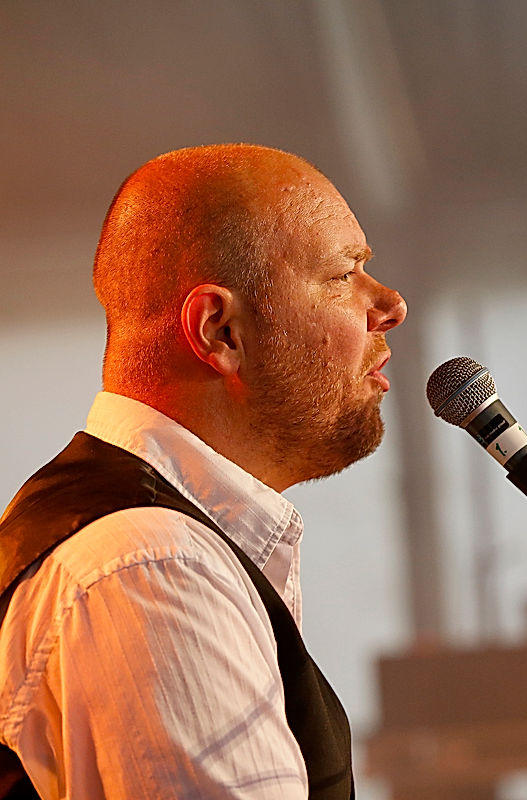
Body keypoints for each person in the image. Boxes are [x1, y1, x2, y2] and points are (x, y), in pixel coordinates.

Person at [0, 144, 406, 799]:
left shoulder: (141, 546)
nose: (389, 305)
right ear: (220, 331)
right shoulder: (151, 565)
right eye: (343, 274)